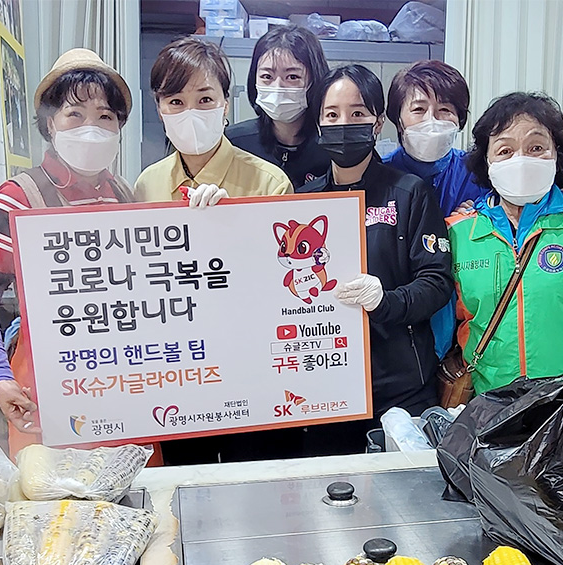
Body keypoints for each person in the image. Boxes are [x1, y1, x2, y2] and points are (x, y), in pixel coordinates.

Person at [0, 48, 135, 455]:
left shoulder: (125, 194)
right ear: (49, 123)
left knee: (138, 491)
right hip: (47, 391)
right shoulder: (18, 199)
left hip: (126, 385)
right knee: (51, 492)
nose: (91, 128)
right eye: (74, 114)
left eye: (105, 117)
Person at [297, 65, 453, 454]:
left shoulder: (409, 192)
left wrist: (386, 301)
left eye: (357, 113)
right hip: (325, 386)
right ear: (318, 124)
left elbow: (436, 282)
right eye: (332, 114)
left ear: (378, 122)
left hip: (401, 387)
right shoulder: (302, 202)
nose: (343, 124)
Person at [448, 92, 563, 395]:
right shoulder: (458, 233)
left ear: (556, 154)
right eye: (505, 150)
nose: (521, 160)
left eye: (536, 147)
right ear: (487, 161)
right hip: (489, 404)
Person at [135, 37, 293, 207]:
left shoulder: (271, 186)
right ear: (159, 109)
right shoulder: (147, 186)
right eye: (176, 102)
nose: (191, 113)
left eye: (205, 99)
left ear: (226, 105)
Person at [225, 25, 330, 189]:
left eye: (292, 77)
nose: (278, 87)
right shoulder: (233, 143)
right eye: (267, 76)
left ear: (314, 79)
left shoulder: (332, 147)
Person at [383, 60, 488, 217]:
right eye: (419, 109)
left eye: (444, 109)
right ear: (398, 121)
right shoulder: (380, 174)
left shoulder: (477, 172)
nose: (431, 120)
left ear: (459, 120)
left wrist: (480, 218)